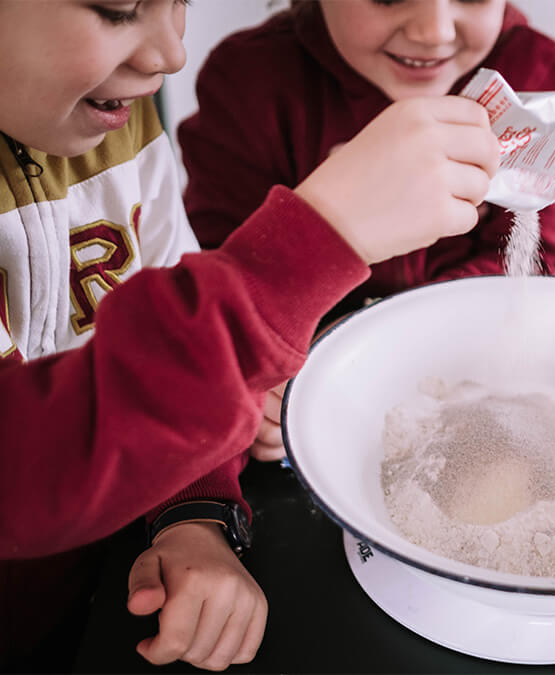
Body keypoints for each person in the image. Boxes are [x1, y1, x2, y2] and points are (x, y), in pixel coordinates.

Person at [0, 0, 499, 671]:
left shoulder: (118, 124)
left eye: (179, 4)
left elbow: (167, 330)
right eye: (119, 8)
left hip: (92, 595)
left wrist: (194, 515)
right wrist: (317, 238)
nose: (170, 55)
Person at [176, 0, 555, 461]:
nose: (434, 31)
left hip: (471, 365)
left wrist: (376, 339)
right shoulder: (250, 82)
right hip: (311, 378)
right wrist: (267, 387)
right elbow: (224, 275)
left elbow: (525, 264)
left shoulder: (537, 76)